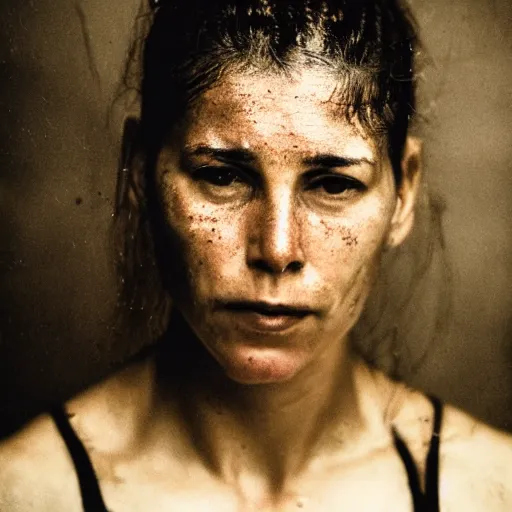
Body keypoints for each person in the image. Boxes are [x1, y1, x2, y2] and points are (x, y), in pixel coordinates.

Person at [1, 0, 511, 510]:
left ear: (404, 192)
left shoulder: (491, 491)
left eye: (334, 184)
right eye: (222, 175)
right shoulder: (27, 493)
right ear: (138, 173)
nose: (277, 248)